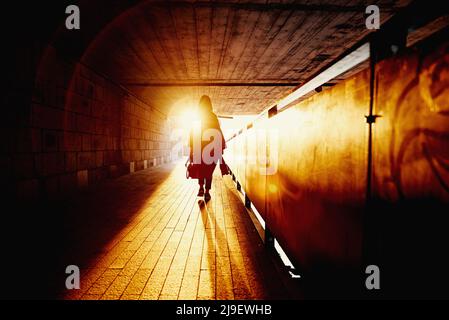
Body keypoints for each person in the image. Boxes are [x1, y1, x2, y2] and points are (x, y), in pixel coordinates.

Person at [189, 95, 226, 202]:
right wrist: (220, 150)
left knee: (200, 168)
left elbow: (193, 134)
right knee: (208, 171)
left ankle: (201, 187)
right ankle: (207, 192)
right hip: (211, 149)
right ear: (210, 104)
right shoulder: (213, 116)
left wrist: (192, 150)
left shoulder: (197, 117)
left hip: (199, 148)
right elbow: (218, 132)